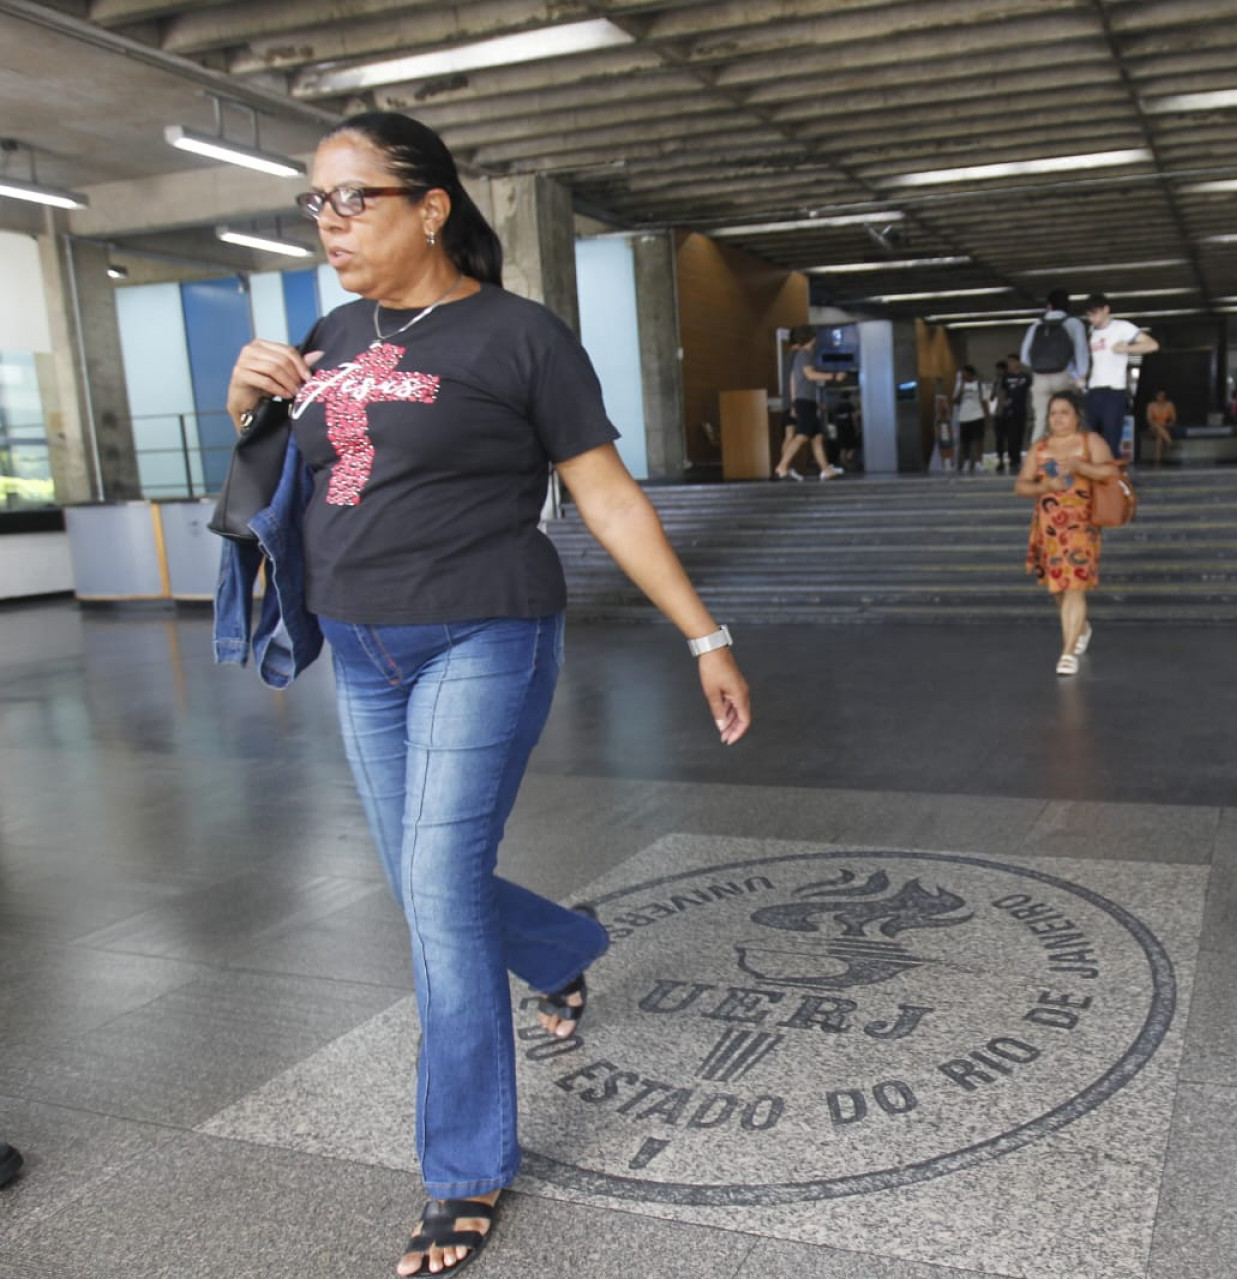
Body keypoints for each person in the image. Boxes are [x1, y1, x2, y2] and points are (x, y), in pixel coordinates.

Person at [225, 111, 751, 1278]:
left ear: (431, 206)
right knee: (426, 882)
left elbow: (607, 496)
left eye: (353, 198)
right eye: (315, 202)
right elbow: (297, 477)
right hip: (359, 645)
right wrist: (249, 400)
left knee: (438, 896)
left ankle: (464, 1167)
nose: (328, 224)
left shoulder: (521, 336)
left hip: (483, 633)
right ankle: (559, 946)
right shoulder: (330, 332)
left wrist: (704, 634)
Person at [1015, 392, 1117, 676]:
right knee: (1058, 587)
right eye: (1053, 413)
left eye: (1064, 412)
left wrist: (1080, 466)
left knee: (1074, 585)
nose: (1058, 418)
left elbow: (1111, 473)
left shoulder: (1090, 441)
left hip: (1082, 526)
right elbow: (1021, 486)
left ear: (1077, 416)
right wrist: (1045, 487)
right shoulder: (1040, 448)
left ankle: (1068, 652)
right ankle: (1080, 627)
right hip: (1049, 528)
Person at [1082, 293, 1159, 460]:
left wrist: (1125, 349)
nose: (1092, 319)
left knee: (1111, 438)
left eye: (1095, 314)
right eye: (1089, 315)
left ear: (1106, 309)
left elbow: (1152, 345)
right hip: (1093, 391)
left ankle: (1113, 473)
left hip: (1114, 391)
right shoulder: (1091, 331)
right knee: (1090, 439)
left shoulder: (1122, 327)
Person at [775, 325, 847, 480]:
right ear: (811, 338)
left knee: (817, 437)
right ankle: (782, 466)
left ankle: (825, 469)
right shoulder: (803, 354)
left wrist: (794, 401)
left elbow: (793, 379)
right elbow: (810, 375)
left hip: (806, 400)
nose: (816, 339)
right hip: (805, 401)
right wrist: (833, 377)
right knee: (802, 435)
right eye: (815, 336)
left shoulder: (804, 355)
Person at [1020, 288, 1089, 442]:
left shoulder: (1036, 325)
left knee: (1041, 421)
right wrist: (1081, 378)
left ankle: (1037, 455)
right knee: (1068, 420)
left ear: (1049, 306)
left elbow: (1025, 358)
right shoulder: (1074, 323)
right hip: (1066, 376)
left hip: (1040, 379)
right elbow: (1081, 353)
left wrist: (1039, 367)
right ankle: (1068, 453)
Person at [993, 354, 1032, 474]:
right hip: (1010, 411)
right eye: (1008, 362)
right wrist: (1005, 403)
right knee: (1011, 436)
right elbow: (1003, 392)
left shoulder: (1025, 377)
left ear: (1018, 362)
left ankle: (1017, 459)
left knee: (1019, 435)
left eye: (1012, 361)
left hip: (1021, 409)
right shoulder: (1006, 378)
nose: (1010, 364)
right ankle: (1013, 460)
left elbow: (1031, 390)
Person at [951, 364, 991, 474]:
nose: (962, 375)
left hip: (977, 415)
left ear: (970, 373)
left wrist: (987, 417)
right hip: (964, 417)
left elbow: (984, 401)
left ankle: (978, 462)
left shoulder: (979, 385)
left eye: (964, 372)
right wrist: (960, 391)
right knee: (965, 442)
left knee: (978, 440)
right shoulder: (960, 385)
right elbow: (955, 401)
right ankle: (966, 462)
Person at [1143, 388, 1177, 466]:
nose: (1161, 397)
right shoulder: (1151, 405)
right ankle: (1169, 442)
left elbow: (1173, 419)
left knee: (1160, 437)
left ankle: (1157, 461)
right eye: (1159, 395)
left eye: (1163, 396)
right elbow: (1149, 420)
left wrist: (1166, 424)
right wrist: (1159, 424)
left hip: (1166, 428)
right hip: (1153, 428)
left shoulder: (1169, 405)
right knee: (1157, 426)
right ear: (1156, 396)